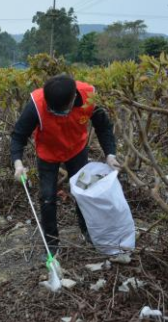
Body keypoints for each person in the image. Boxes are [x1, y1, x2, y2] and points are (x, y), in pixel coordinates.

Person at [10, 74, 120, 255]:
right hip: (48, 153)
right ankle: (52, 245)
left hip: (77, 149)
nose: (57, 115)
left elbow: (103, 126)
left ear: (73, 99)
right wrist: (17, 163)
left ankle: (88, 233)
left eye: (61, 111)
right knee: (47, 197)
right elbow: (18, 135)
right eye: (53, 111)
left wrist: (110, 154)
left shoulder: (89, 96)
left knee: (84, 191)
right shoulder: (36, 104)